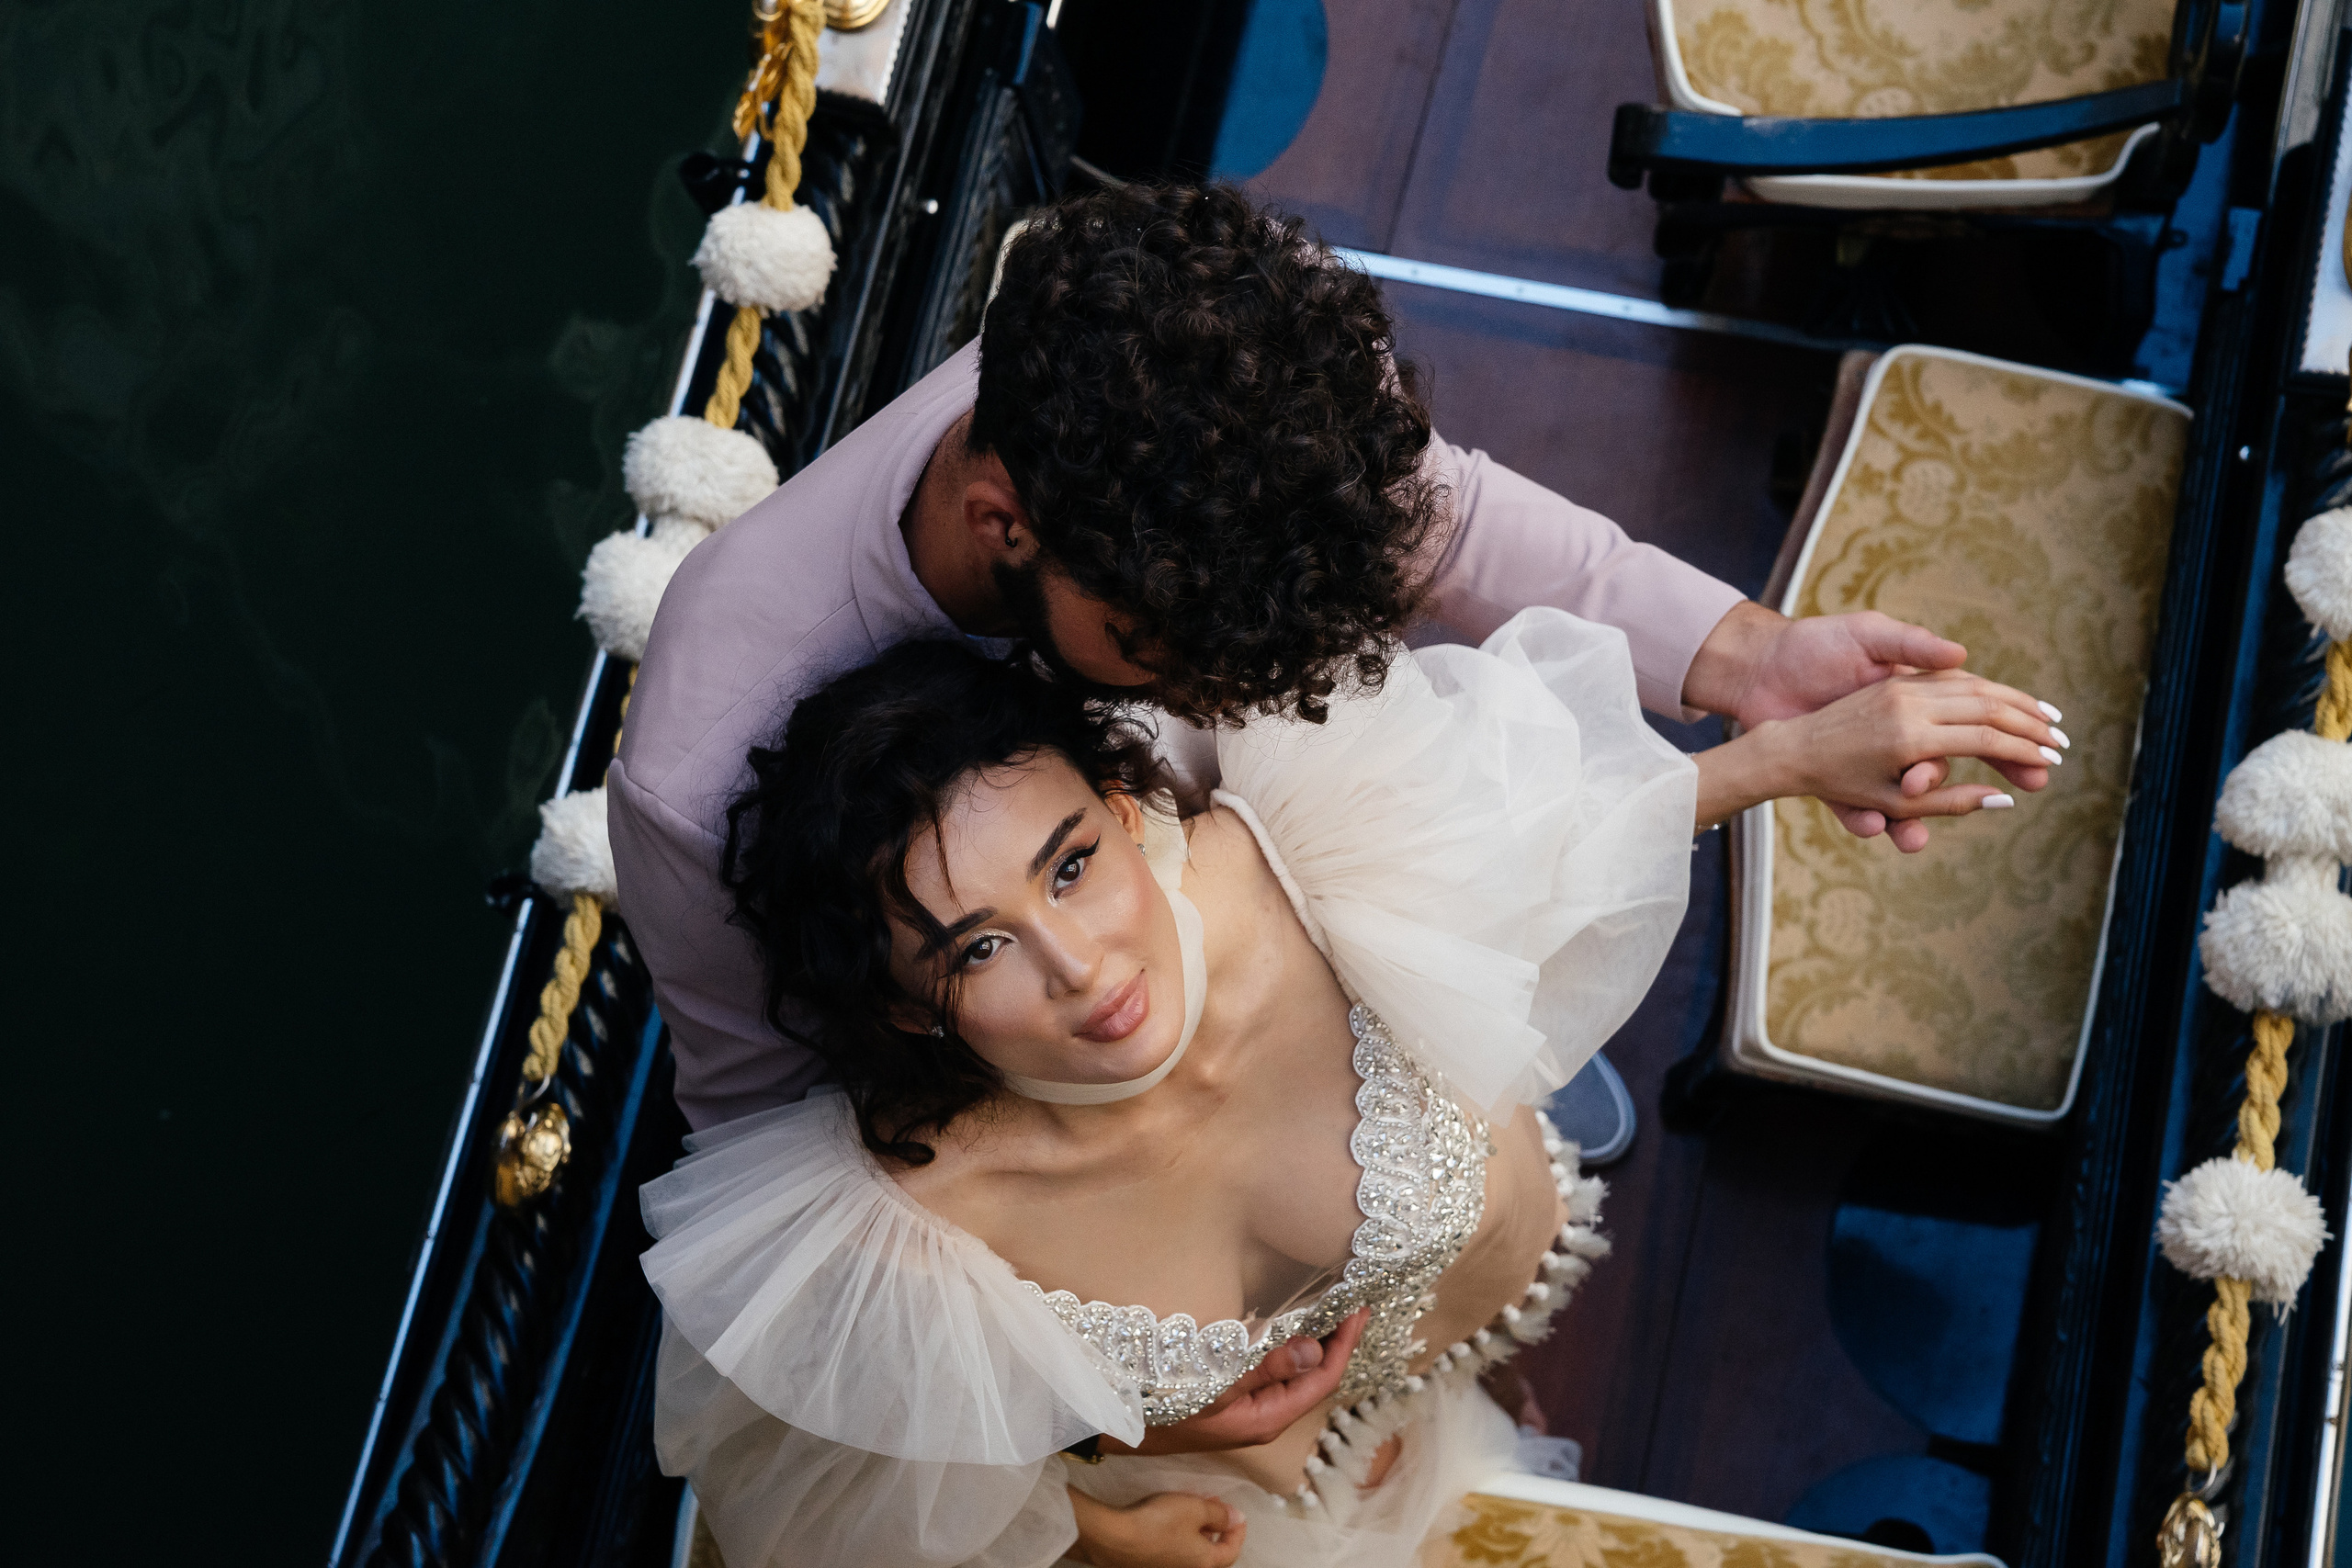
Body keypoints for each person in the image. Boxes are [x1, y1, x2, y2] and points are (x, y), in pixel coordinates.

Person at [610, 180, 2066, 1453]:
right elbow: (773, 1132)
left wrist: (1749, 659)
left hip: (1301, 860)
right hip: (1066, 1125)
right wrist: (1114, 1405)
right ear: (1008, 529)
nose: (1233, 678)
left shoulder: (1215, 366)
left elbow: (1450, 517)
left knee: (1453, 1155)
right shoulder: (698, 765)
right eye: (1177, 650)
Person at [639, 614, 2054, 1567]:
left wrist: (1793, 755)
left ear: (1131, 811)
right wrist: (1123, 1495)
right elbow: (880, 1499)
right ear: (907, 1002)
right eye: (981, 948)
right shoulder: (905, 1228)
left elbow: (1560, 831)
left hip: (1448, 1290)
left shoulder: (1299, 854)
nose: (1080, 969)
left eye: (1070, 863)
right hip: (1212, 1513)